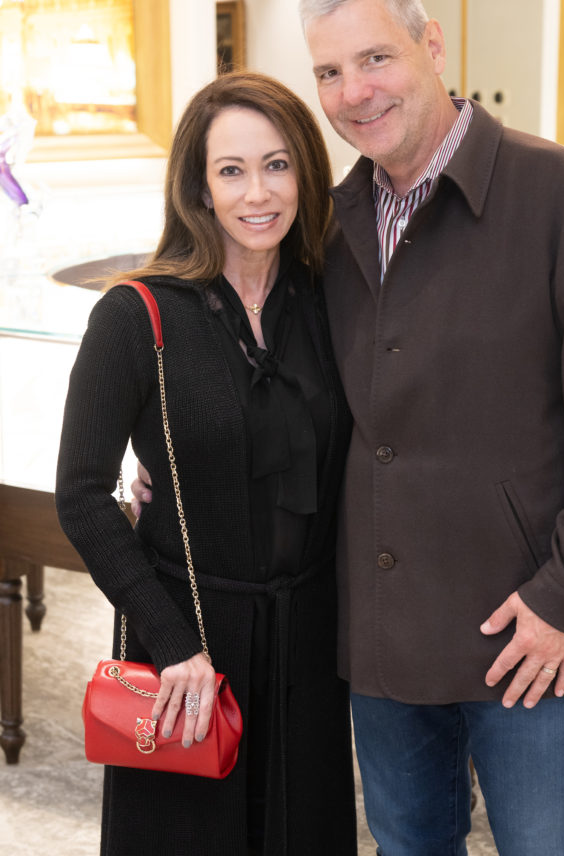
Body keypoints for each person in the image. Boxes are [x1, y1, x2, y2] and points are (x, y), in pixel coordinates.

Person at [294, 0, 564, 855]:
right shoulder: (335, 222)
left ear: (431, 45)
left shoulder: (558, 195)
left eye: (375, 58)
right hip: (383, 632)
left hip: (525, 631)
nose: (353, 92)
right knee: (407, 845)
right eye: (329, 72)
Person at [55, 71, 358, 856]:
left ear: (306, 173)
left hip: (309, 643)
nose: (258, 192)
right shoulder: (135, 315)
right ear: (199, 186)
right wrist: (172, 641)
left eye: (277, 164)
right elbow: (82, 496)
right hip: (188, 643)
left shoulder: (329, 301)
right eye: (231, 170)